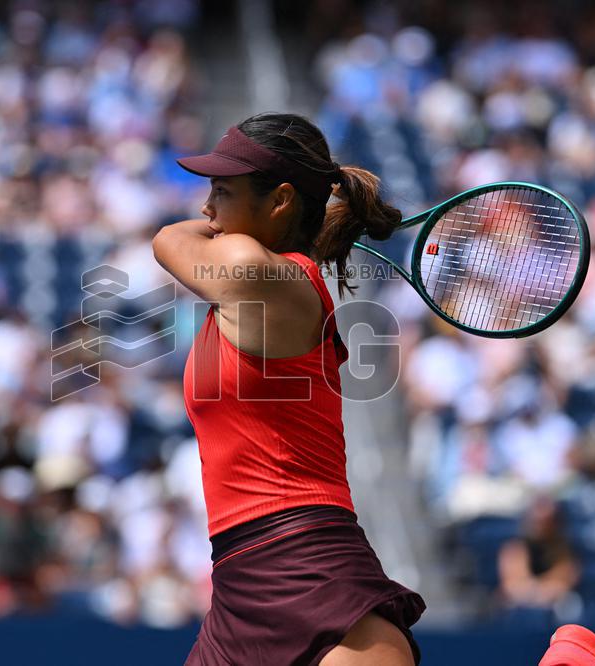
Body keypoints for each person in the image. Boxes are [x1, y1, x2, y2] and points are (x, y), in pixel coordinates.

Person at [153, 112, 426, 665]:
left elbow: (167, 239)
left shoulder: (259, 274)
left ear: (279, 201)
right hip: (239, 580)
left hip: (309, 564)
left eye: (223, 193)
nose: (208, 209)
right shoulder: (253, 279)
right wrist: (236, 218)